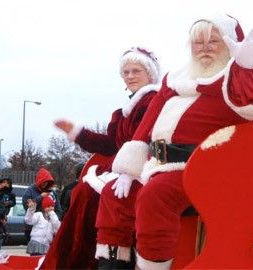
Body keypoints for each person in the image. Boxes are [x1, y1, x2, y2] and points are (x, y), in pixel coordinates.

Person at [94, 13, 253, 269]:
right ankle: (114, 265)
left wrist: (247, 68)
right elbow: (148, 123)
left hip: (204, 169)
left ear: (230, 44)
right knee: (113, 195)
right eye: (198, 42)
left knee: (155, 197)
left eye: (213, 41)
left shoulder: (235, 76)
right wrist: (129, 169)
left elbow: (250, 103)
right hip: (158, 164)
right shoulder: (175, 78)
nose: (204, 48)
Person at [40, 46, 161, 270]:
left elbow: (148, 139)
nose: (130, 76)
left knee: (90, 195)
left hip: (145, 168)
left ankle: (105, 261)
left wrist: (130, 171)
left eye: (136, 71)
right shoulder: (122, 111)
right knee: (83, 193)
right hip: (122, 169)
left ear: (150, 74)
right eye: (126, 72)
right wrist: (78, 133)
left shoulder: (153, 101)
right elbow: (110, 144)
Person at [22, 168, 62, 241]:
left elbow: (58, 209)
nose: (45, 184)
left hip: (49, 227)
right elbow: (26, 205)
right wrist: (41, 197)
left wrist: (54, 218)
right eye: (43, 182)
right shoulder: (30, 190)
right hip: (33, 226)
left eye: (47, 182)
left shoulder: (52, 193)